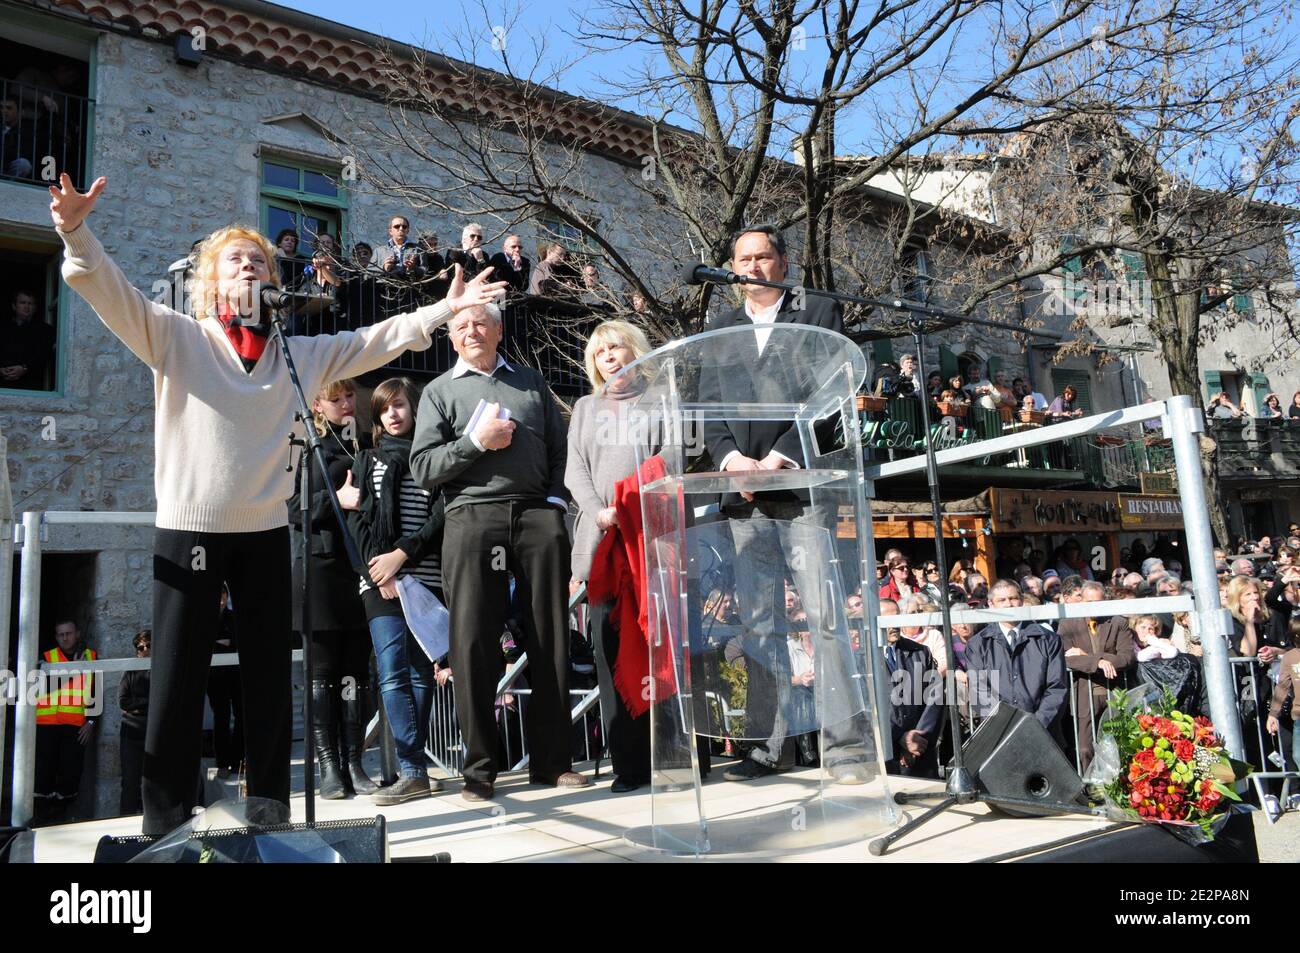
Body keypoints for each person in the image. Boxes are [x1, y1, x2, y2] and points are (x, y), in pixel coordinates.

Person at [48, 173, 506, 835]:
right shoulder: (175, 335)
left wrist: (443, 310)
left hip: (265, 533)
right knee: (177, 677)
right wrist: (74, 228)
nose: (252, 266)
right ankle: (164, 819)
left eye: (261, 260)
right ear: (212, 281)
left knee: (268, 678)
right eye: (237, 259)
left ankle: (268, 810)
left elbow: (381, 338)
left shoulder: (300, 355)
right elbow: (106, 288)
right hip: (188, 530)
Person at [701, 223, 871, 785]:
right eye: (743, 259)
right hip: (743, 496)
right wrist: (730, 464)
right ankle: (765, 746)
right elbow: (705, 406)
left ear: (783, 262)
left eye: (763, 257)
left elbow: (828, 394)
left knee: (823, 617)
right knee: (758, 624)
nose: (752, 267)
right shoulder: (719, 328)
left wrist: (775, 460)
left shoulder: (816, 311)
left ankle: (845, 746)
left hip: (798, 487)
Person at [409, 294, 586, 800]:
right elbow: (424, 468)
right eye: (461, 324)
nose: (471, 330)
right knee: (472, 643)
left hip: (536, 514)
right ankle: (479, 770)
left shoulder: (531, 382)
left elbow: (560, 449)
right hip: (470, 516)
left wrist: (554, 501)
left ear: (498, 331)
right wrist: (476, 443)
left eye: (481, 322)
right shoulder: (439, 392)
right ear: (450, 335)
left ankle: (553, 763)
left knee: (550, 636)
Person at [341, 377, 446, 805]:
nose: (393, 414)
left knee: (423, 674)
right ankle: (412, 767)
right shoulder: (368, 460)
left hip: (425, 575)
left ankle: (413, 768)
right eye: (385, 408)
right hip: (378, 582)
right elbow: (359, 521)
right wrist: (381, 571)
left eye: (400, 405)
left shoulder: (431, 461)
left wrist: (401, 556)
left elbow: (439, 517)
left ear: (413, 409)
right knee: (392, 672)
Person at [565, 320, 655, 792]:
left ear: (635, 350)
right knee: (611, 655)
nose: (611, 358)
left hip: (650, 542)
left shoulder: (662, 401)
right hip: (600, 543)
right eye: (601, 353)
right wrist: (601, 511)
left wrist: (630, 503)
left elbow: (673, 458)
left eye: (618, 347)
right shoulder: (584, 407)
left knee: (656, 649)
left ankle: (671, 756)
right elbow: (574, 470)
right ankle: (628, 765)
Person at [288, 378, 377, 800]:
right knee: (322, 675)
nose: (345, 404)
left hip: (360, 569)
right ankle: (328, 766)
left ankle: (354, 762)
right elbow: (292, 510)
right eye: (336, 398)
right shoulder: (309, 451)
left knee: (355, 675)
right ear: (319, 406)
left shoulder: (363, 445)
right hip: (321, 572)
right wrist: (335, 501)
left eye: (349, 397)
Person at [964, 578, 1067, 733]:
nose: (1008, 604)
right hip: (999, 732)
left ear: (1021, 601)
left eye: (1013, 598)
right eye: (1001, 600)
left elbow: (1057, 686)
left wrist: (1035, 725)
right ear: (991, 604)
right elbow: (979, 691)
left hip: (1043, 731)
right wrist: (1005, 726)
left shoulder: (1048, 639)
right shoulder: (978, 644)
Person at [1058, 581, 1133, 772]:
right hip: (1084, 693)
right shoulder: (1068, 624)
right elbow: (1065, 659)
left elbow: (1126, 658)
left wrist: (1086, 657)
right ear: (1080, 599)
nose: (1093, 606)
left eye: (1098, 602)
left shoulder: (1118, 622)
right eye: (1089, 601)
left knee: (1116, 745)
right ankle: (1091, 789)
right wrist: (1098, 662)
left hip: (1113, 692)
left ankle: (1117, 787)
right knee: (1084, 747)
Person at [34, 618, 98, 823]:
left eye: (68, 633)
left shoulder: (90, 657)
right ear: (55, 637)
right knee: (44, 773)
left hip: (75, 726)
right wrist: (72, 669)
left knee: (71, 773)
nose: (64, 638)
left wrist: (91, 722)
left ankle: (60, 815)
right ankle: (42, 817)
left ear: (77, 634)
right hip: (46, 726)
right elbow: (38, 689)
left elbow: (96, 692)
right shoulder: (46, 657)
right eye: (60, 634)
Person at [880, 599, 942, 777]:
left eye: (897, 619)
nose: (894, 626)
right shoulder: (860, 658)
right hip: (885, 752)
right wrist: (900, 738)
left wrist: (916, 739)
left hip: (919, 751)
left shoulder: (920, 652)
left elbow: (935, 696)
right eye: (887, 620)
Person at [207, 586, 243, 780]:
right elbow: (206, 643)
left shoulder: (233, 617)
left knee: (241, 715)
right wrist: (221, 643)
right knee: (221, 717)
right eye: (217, 597)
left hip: (236, 674)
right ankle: (222, 763)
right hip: (215, 677)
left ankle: (238, 760)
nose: (220, 601)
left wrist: (223, 643)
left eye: (223, 596)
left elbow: (238, 641)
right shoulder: (206, 619)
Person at [119, 629, 151, 815]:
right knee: (130, 782)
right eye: (141, 647)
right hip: (131, 733)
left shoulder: (162, 671)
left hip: (153, 732)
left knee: (155, 782)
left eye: (148, 645)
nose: (145, 650)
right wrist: (148, 702)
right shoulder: (130, 671)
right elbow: (122, 701)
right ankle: (125, 819)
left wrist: (137, 705)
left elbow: (163, 699)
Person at [0, 288, 56, 390]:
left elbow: (44, 354)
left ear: (35, 307)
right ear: (14, 306)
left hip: (31, 386)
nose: (26, 307)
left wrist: (25, 368)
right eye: (22, 303)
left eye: (31, 304)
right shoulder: (3, 328)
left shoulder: (44, 330)